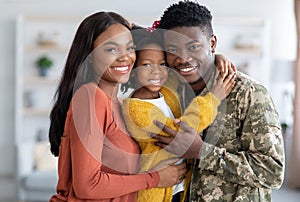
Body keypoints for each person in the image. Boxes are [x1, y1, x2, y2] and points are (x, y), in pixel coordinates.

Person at [150, 1, 285, 201]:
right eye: (172, 49)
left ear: (212, 43)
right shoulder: (164, 89)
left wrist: (201, 151)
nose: (183, 58)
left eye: (193, 47)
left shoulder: (249, 93)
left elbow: (272, 172)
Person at [48, 11, 187, 202]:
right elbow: (87, 186)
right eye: (111, 49)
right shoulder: (91, 96)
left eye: (129, 48)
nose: (124, 57)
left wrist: (215, 58)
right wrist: (155, 179)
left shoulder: (122, 105)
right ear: (89, 55)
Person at [121, 27, 235, 202]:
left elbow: (185, 66)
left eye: (162, 64)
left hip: (179, 188)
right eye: (146, 64)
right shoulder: (135, 108)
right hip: (156, 193)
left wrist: (215, 57)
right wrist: (213, 98)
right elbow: (179, 132)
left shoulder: (165, 90)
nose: (156, 71)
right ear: (133, 69)